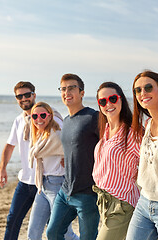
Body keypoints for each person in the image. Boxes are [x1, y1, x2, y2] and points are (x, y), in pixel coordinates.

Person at [0, 81, 62, 240]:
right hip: (25, 181)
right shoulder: (19, 121)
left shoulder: (48, 116)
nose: (24, 98)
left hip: (47, 181)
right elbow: (10, 145)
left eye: (27, 94)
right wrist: (2, 169)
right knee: (13, 220)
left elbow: (64, 140)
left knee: (52, 226)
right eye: (19, 96)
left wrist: (66, 158)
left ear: (34, 95)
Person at [46, 73, 100, 240]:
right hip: (65, 190)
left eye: (71, 88)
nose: (66, 92)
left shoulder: (93, 117)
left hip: (87, 194)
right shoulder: (67, 120)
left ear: (82, 93)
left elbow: (109, 146)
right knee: (53, 233)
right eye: (63, 89)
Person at [126, 71, 158, 240]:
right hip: (144, 201)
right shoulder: (147, 124)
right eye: (137, 90)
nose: (143, 93)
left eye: (148, 87)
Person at [92, 82, 141, 240]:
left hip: (122, 204)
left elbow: (151, 163)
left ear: (121, 100)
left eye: (113, 98)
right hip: (104, 202)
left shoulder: (132, 133)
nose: (108, 104)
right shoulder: (105, 132)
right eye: (103, 101)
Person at [27, 102, 78, 240]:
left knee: (65, 233)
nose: (39, 119)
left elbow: (75, 149)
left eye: (43, 115)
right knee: (33, 232)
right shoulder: (39, 135)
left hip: (57, 186)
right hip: (42, 186)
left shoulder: (57, 134)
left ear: (50, 116)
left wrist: (67, 160)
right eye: (35, 116)